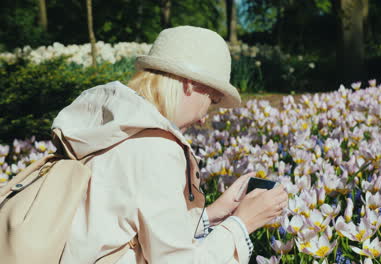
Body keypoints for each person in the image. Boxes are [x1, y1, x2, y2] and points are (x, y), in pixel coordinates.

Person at [53, 25, 289, 264]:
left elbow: (124, 228)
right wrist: (242, 224)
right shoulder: (155, 148)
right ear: (190, 84)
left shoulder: (109, 128)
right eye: (212, 100)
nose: (204, 117)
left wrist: (211, 215)